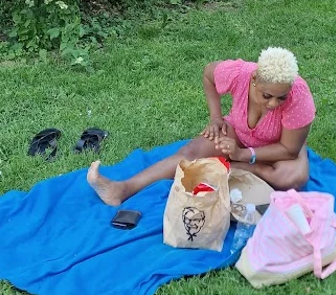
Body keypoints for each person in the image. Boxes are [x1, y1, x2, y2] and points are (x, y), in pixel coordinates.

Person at [87, 47, 316, 206]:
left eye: (281, 97)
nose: (273, 104)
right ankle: (123, 189)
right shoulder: (240, 74)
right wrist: (216, 118)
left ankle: (230, 166)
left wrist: (244, 155)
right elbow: (208, 75)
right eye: (267, 96)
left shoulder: (299, 96)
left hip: (278, 147)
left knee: (291, 179)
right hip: (239, 132)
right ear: (254, 79)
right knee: (189, 154)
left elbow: (289, 150)